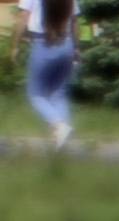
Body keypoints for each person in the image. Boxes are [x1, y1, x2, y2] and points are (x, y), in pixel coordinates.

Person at [10, 0, 76, 150]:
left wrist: (15, 45)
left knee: (36, 95)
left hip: (44, 43)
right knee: (58, 94)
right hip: (67, 43)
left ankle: (58, 125)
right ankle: (61, 139)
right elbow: (74, 21)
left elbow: (23, 17)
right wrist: (76, 48)